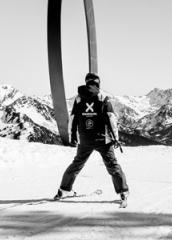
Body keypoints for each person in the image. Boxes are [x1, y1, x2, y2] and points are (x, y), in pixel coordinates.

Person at [54, 73, 129, 203]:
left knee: (76, 164)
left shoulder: (78, 99)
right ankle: (122, 191)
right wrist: (115, 138)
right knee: (112, 165)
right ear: (98, 83)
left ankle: (63, 190)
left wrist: (72, 136)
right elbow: (111, 119)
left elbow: (73, 119)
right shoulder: (103, 98)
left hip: (84, 140)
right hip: (103, 140)